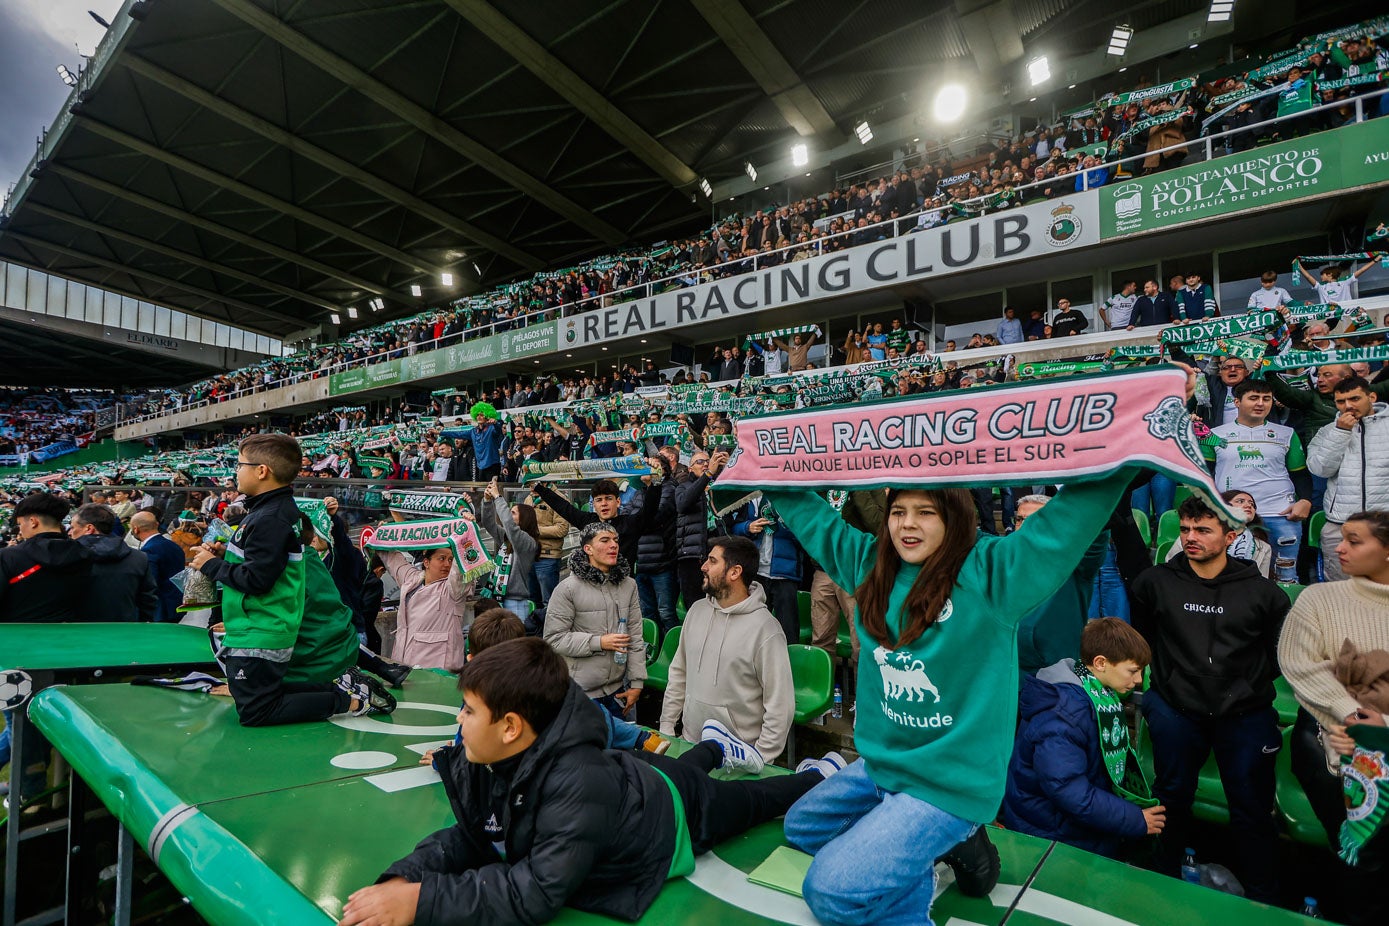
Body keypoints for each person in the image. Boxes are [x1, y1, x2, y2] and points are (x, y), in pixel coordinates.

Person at [765, 461, 1141, 924]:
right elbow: (814, 519)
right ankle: (930, 845)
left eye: (926, 512)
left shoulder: (992, 574)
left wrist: (1122, 461)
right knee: (801, 828)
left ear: (954, 517)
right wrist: (761, 465)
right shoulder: (869, 564)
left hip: (948, 785)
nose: (908, 524)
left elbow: (1066, 522)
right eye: (898, 511)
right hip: (883, 770)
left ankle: (935, 843)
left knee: (830, 891)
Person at [340, 638, 844, 926]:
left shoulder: (577, 783)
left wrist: (422, 903)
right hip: (632, 787)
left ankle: (818, 777)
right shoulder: (487, 754)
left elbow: (534, 891)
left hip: (669, 812)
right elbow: (472, 835)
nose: (460, 720)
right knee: (686, 767)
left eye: (469, 710)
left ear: (511, 726)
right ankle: (717, 747)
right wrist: (406, 877)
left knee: (752, 799)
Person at [1128, 495, 1289, 902]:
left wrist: (1242, 690)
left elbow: (1276, 658)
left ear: (1230, 535)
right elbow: (1145, 639)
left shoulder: (1264, 594)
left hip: (1244, 714)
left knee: (1251, 809)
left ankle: (1262, 896)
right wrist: (1161, 698)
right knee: (1171, 796)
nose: (1190, 538)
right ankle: (1163, 880)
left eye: (1202, 530)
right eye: (1184, 530)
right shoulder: (1156, 582)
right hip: (1176, 711)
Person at [192, 433, 394, 725]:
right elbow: (266, 563)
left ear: (262, 471)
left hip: (261, 630)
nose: (235, 471)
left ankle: (350, 700)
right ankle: (345, 690)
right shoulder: (273, 512)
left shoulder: (269, 518)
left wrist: (211, 565)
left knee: (255, 710)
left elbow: (258, 579)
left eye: (240, 465)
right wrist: (227, 554)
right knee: (259, 695)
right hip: (260, 627)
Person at [1278, 510, 1389, 926]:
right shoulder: (1318, 599)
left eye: (1355, 541)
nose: (1339, 548)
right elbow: (1299, 665)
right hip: (1329, 741)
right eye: (1341, 538)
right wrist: (1352, 715)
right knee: (1363, 854)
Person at [1002, 618, 1163, 858]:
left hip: (1071, 824)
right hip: (1050, 834)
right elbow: (1067, 788)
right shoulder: (1064, 715)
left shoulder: (1094, 691)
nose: (1139, 680)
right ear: (1100, 663)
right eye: (1132, 670)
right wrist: (1133, 818)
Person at [658, 537, 794, 772]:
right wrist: (667, 727)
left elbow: (780, 705)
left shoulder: (766, 629)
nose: (703, 567)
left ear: (734, 572)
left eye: (712, 561)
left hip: (737, 760)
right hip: (690, 745)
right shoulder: (696, 612)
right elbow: (679, 674)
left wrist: (760, 758)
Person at [1209, 378, 1313, 583]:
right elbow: (1205, 474)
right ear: (1237, 401)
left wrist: (1306, 500)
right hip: (1233, 517)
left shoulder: (1286, 433)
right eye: (1253, 398)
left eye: (1267, 399)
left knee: (1285, 576)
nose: (1260, 403)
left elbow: (1300, 473)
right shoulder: (1214, 435)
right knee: (1234, 578)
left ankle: (1285, 616)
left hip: (1281, 514)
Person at [544, 523, 647, 719]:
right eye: (605, 540)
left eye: (615, 540)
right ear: (588, 549)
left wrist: (637, 683)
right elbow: (554, 639)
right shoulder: (567, 588)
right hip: (581, 693)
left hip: (618, 691)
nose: (613, 545)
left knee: (623, 747)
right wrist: (598, 642)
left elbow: (634, 636)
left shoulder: (629, 585)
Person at [1013, 495, 1108, 676]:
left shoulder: (1075, 565)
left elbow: (1095, 540)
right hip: (1010, 675)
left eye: (1034, 520)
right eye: (1019, 519)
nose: (1024, 526)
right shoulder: (1005, 563)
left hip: (1056, 681)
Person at [1307, 377, 1389, 578]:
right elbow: (1319, 469)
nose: (1348, 406)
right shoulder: (1328, 431)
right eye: (1341, 402)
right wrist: (1340, 433)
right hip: (1341, 523)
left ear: (1372, 397)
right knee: (1341, 590)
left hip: (1385, 522)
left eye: (1354, 398)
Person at [379, 540, 472, 671]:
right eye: (442, 558)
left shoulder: (453, 589)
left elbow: (459, 571)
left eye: (451, 560)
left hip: (439, 669)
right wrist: (384, 536)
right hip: (403, 662)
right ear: (426, 562)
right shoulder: (412, 580)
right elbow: (394, 560)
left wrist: (464, 538)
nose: (447, 564)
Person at [0, 493, 91, 623]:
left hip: (16, 638)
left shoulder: (8, 556)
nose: (20, 530)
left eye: (20, 524)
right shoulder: (86, 554)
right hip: (69, 637)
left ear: (33, 522)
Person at [731, 495, 804, 645]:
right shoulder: (751, 497)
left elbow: (805, 535)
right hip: (756, 573)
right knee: (751, 627)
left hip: (784, 574)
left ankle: (788, 665)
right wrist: (747, 527)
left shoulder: (792, 498)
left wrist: (787, 524)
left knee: (788, 628)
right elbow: (734, 527)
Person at [68, 503, 158, 622]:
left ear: (89, 528)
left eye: (73, 527)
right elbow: (148, 601)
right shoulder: (139, 558)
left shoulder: (66, 557)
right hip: (125, 630)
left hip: (76, 632)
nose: (69, 532)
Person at [476, 478, 540, 619]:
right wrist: (487, 501)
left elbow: (509, 525)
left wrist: (498, 497)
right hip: (497, 598)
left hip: (515, 602)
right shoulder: (506, 537)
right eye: (509, 512)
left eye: (513, 513)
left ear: (524, 519)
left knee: (513, 640)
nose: (509, 516)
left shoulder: (528, 542)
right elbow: (489, 524)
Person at [130, 510, 187, 623]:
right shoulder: (174, 546)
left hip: (160, 610)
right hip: (176, 605)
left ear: (136, 529)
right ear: (156, 524)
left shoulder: (148, 550)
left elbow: (150, 583)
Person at [529, 490, 570, 607]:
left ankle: (548, 625)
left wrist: (535, 530)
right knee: (531, 601)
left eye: (533, 484)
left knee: (549, 603)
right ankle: (534, 625)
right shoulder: (529, 497)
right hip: (529, 555)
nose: (530, 487)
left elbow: (562, 529)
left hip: (548, 556)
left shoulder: (559, 498)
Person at [1297, 258, 1376, 304]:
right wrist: (1299, 266)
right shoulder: (1320, 286)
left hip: (1347, 313)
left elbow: (1362, 270)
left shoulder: (1344, 281)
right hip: (1330, 315)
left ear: (1329, 274)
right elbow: (1308, 277)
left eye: (1322, 274)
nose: (1321, 276)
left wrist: (1375, 260)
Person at [462, 403, 505, 481]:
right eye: (477, 415)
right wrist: (440, 432)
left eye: (482, 415)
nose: (479, 417)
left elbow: (498, 430)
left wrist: (495, 423)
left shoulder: (492, 428)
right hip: (480, 466)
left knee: (493, 489)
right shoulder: (474, 431)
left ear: (487, 416)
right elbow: (458, 433)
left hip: (492, 465)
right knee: (483, 491)